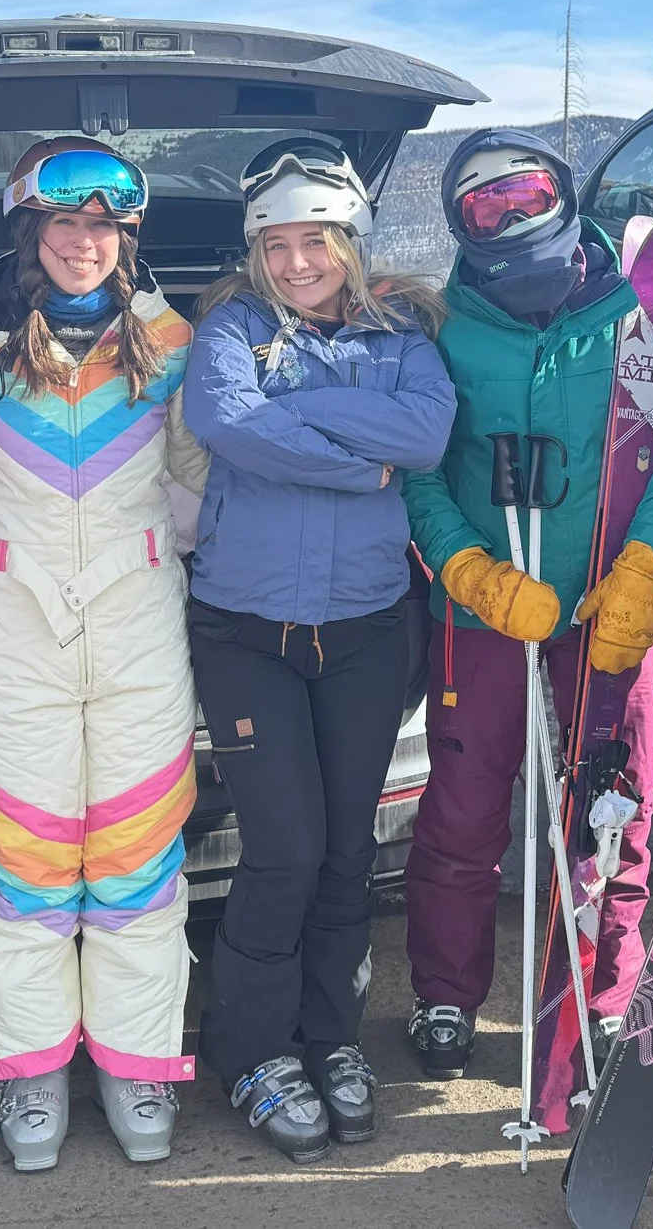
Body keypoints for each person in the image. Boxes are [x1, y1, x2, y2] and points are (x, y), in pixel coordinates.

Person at [400, 130, 653, 1097]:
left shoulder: (640, 322)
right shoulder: (445, 331)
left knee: (612, 811)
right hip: (490, 614)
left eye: (528, 194)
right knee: (462, 809)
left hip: (607, 613)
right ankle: (447, 991)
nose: (512, 216)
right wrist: (471, 571)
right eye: (485, 205)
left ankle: (598, 990)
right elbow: (420, 476)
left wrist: (647, 569)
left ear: (566, 199)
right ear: (462, 226)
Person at [181, 138, 457, 1162]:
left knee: (347, 853)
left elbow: (424, 439)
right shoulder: (230, 330)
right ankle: (251, 1048)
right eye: (277, 243)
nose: (298, 262)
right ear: (255, 250)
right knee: (285, 850)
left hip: (367, 631)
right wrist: (356, 465)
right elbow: (226, 422)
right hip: (249, 631)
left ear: (350, 241)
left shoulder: (403, 338)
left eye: (316, 241)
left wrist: (298, 408)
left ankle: (329, 1038)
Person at [0, 136, 208, 1171]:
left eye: (104, 226)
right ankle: (30, 1073)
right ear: (29, 231)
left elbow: (201, 474)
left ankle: (138, 1067)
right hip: (12, 636)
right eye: (65, 223)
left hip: (140, 625)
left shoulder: (169, 340)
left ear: (125, 239)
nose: (84, 242)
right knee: (26, 865)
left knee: (140, 861)